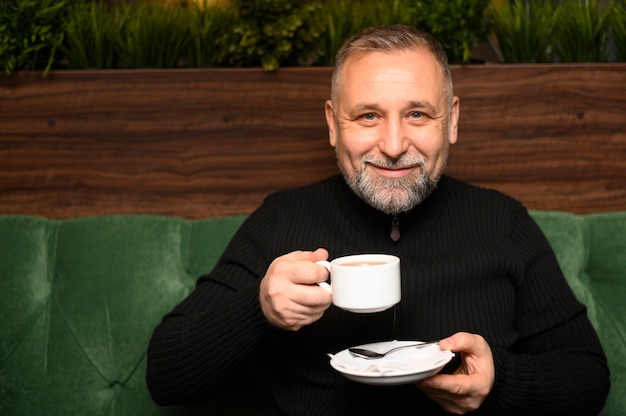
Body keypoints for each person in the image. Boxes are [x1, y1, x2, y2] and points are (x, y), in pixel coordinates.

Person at [146, 25, 610, 415]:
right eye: (368, 115)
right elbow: (166, 374)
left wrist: (499, 380)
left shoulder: (502, 220)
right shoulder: (281, 218)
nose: (392, 144)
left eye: (417, 114)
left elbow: (588, 376)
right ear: (333, 124)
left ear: (451, 120)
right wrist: (258, 309)